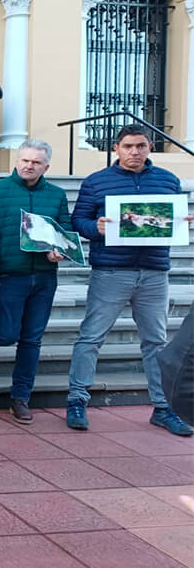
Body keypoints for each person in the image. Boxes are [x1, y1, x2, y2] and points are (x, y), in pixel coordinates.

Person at [65, 125, 194, 436]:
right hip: (111, 271)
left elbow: (172, 217)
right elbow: (77, 221)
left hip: (154, 272)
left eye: (140, 145)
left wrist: (181, 221)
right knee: (91, 337)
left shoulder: (167, 180)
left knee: (156, 342)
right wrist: (94, 226)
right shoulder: (97, 182)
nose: (134, 151)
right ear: (116, 148)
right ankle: (77, 400)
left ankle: (164, 408)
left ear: (149, 147)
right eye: (128, 146)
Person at [0, 140, 70, 423]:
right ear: (17, 160)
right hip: (10, 274)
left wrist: (60, 250)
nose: (28, 165)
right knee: (7, 333)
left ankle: (21, 397)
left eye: (36, 162)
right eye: (24, 160)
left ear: (46, 166)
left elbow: (65, 230)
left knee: (31, 339)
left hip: (45, 277)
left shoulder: (57, 195)